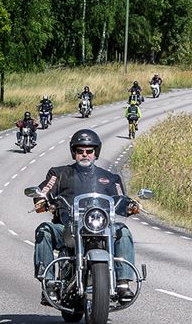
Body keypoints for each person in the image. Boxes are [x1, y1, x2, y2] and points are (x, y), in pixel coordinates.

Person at [32, 129, 139, 305]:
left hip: (101, 227)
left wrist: (130, 205)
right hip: (67, 228)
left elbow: (121, 197)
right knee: (44, 230)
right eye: (80, 151)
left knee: (123, 231)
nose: (84, 154)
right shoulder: (59, 173)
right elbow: (45, 190)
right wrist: (41, 199)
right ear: (73, 152)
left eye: (89, 151)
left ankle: (123, 283)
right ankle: (48, 283)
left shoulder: (110, 178)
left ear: (96, 152)